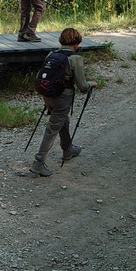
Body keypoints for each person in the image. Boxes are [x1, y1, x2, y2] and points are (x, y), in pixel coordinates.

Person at [30, 28, 97, 177]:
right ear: (77, 43)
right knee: (52, 128)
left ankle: (68, 149)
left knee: (61, 120)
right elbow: (82, 86)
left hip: (47, 94)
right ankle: (38, 163)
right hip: (63, 97)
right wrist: (91, 84)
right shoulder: (75, 59)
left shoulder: (52, 54)